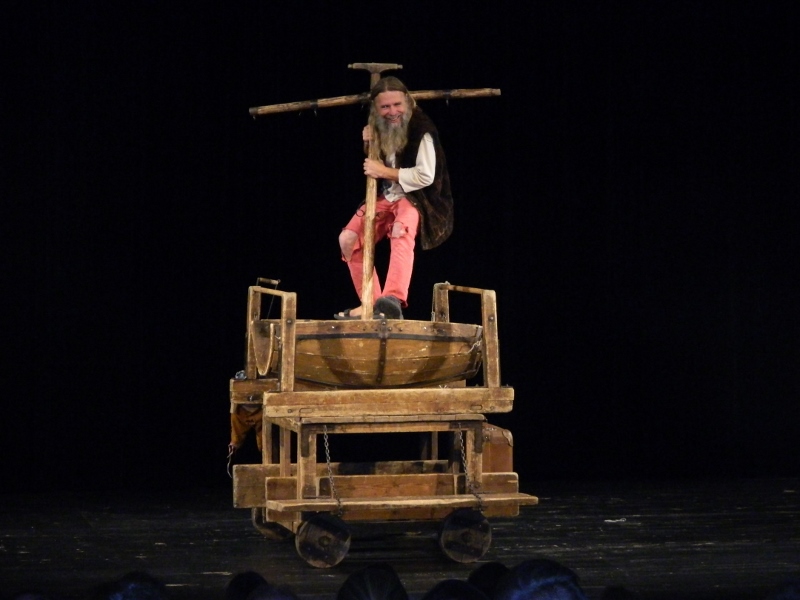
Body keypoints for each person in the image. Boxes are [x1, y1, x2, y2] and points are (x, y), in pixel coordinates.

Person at [336, 76, 453, 320]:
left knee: (401, 229)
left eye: (397, 104)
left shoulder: (422, 129)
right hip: (389, 195)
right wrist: (368, 144)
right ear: (376, 108)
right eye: (385, 107)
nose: (392, 112)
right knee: (348, 239)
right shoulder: (378, 124)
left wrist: (382, 171)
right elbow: (379, 160)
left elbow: (425, 176)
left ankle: (392, 299)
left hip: (419, 198)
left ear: (407, 101)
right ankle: (371, 304)